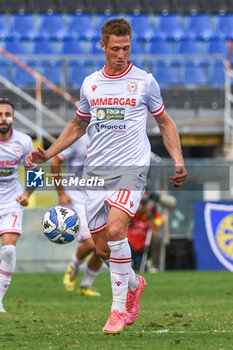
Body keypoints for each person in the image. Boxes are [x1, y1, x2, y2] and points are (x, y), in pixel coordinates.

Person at [27, 18, 187, 335]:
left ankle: (116, 312)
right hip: (96, 173)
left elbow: (165, 123)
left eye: (126, 48)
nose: (121, 54)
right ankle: (133, 282)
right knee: (103, 250)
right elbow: (77, 125)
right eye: (115, 48)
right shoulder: (91, 84)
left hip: (131, 169)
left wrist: (178, 160)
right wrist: (48, 152)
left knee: (116, 230)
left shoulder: (144, 82)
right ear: (103, 46)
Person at [51, 134, 102, 296]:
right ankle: (73, 266)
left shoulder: (109, 136)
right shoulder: (78, 138)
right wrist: (61, 193)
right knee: (90, 243)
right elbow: (55, 161)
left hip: (100, 198)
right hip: (77, 199)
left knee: (104, 247)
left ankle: (85, 286)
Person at [0, 98, 36, 312]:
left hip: (11, 202)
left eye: (6, 114)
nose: (3, 118)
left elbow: (35, 172)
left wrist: (27, 194)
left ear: (13, 118)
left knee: (9, 251)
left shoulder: (24, 142)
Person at [127, 193, 163, 272]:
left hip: (146, 244)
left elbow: (155, 232)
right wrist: (136, 210)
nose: (143, 205)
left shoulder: (154, 213)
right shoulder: (132, 211)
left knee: (157, 239)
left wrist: (149, 215)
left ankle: (154, 267)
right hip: (131, 243)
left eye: (145, 203)